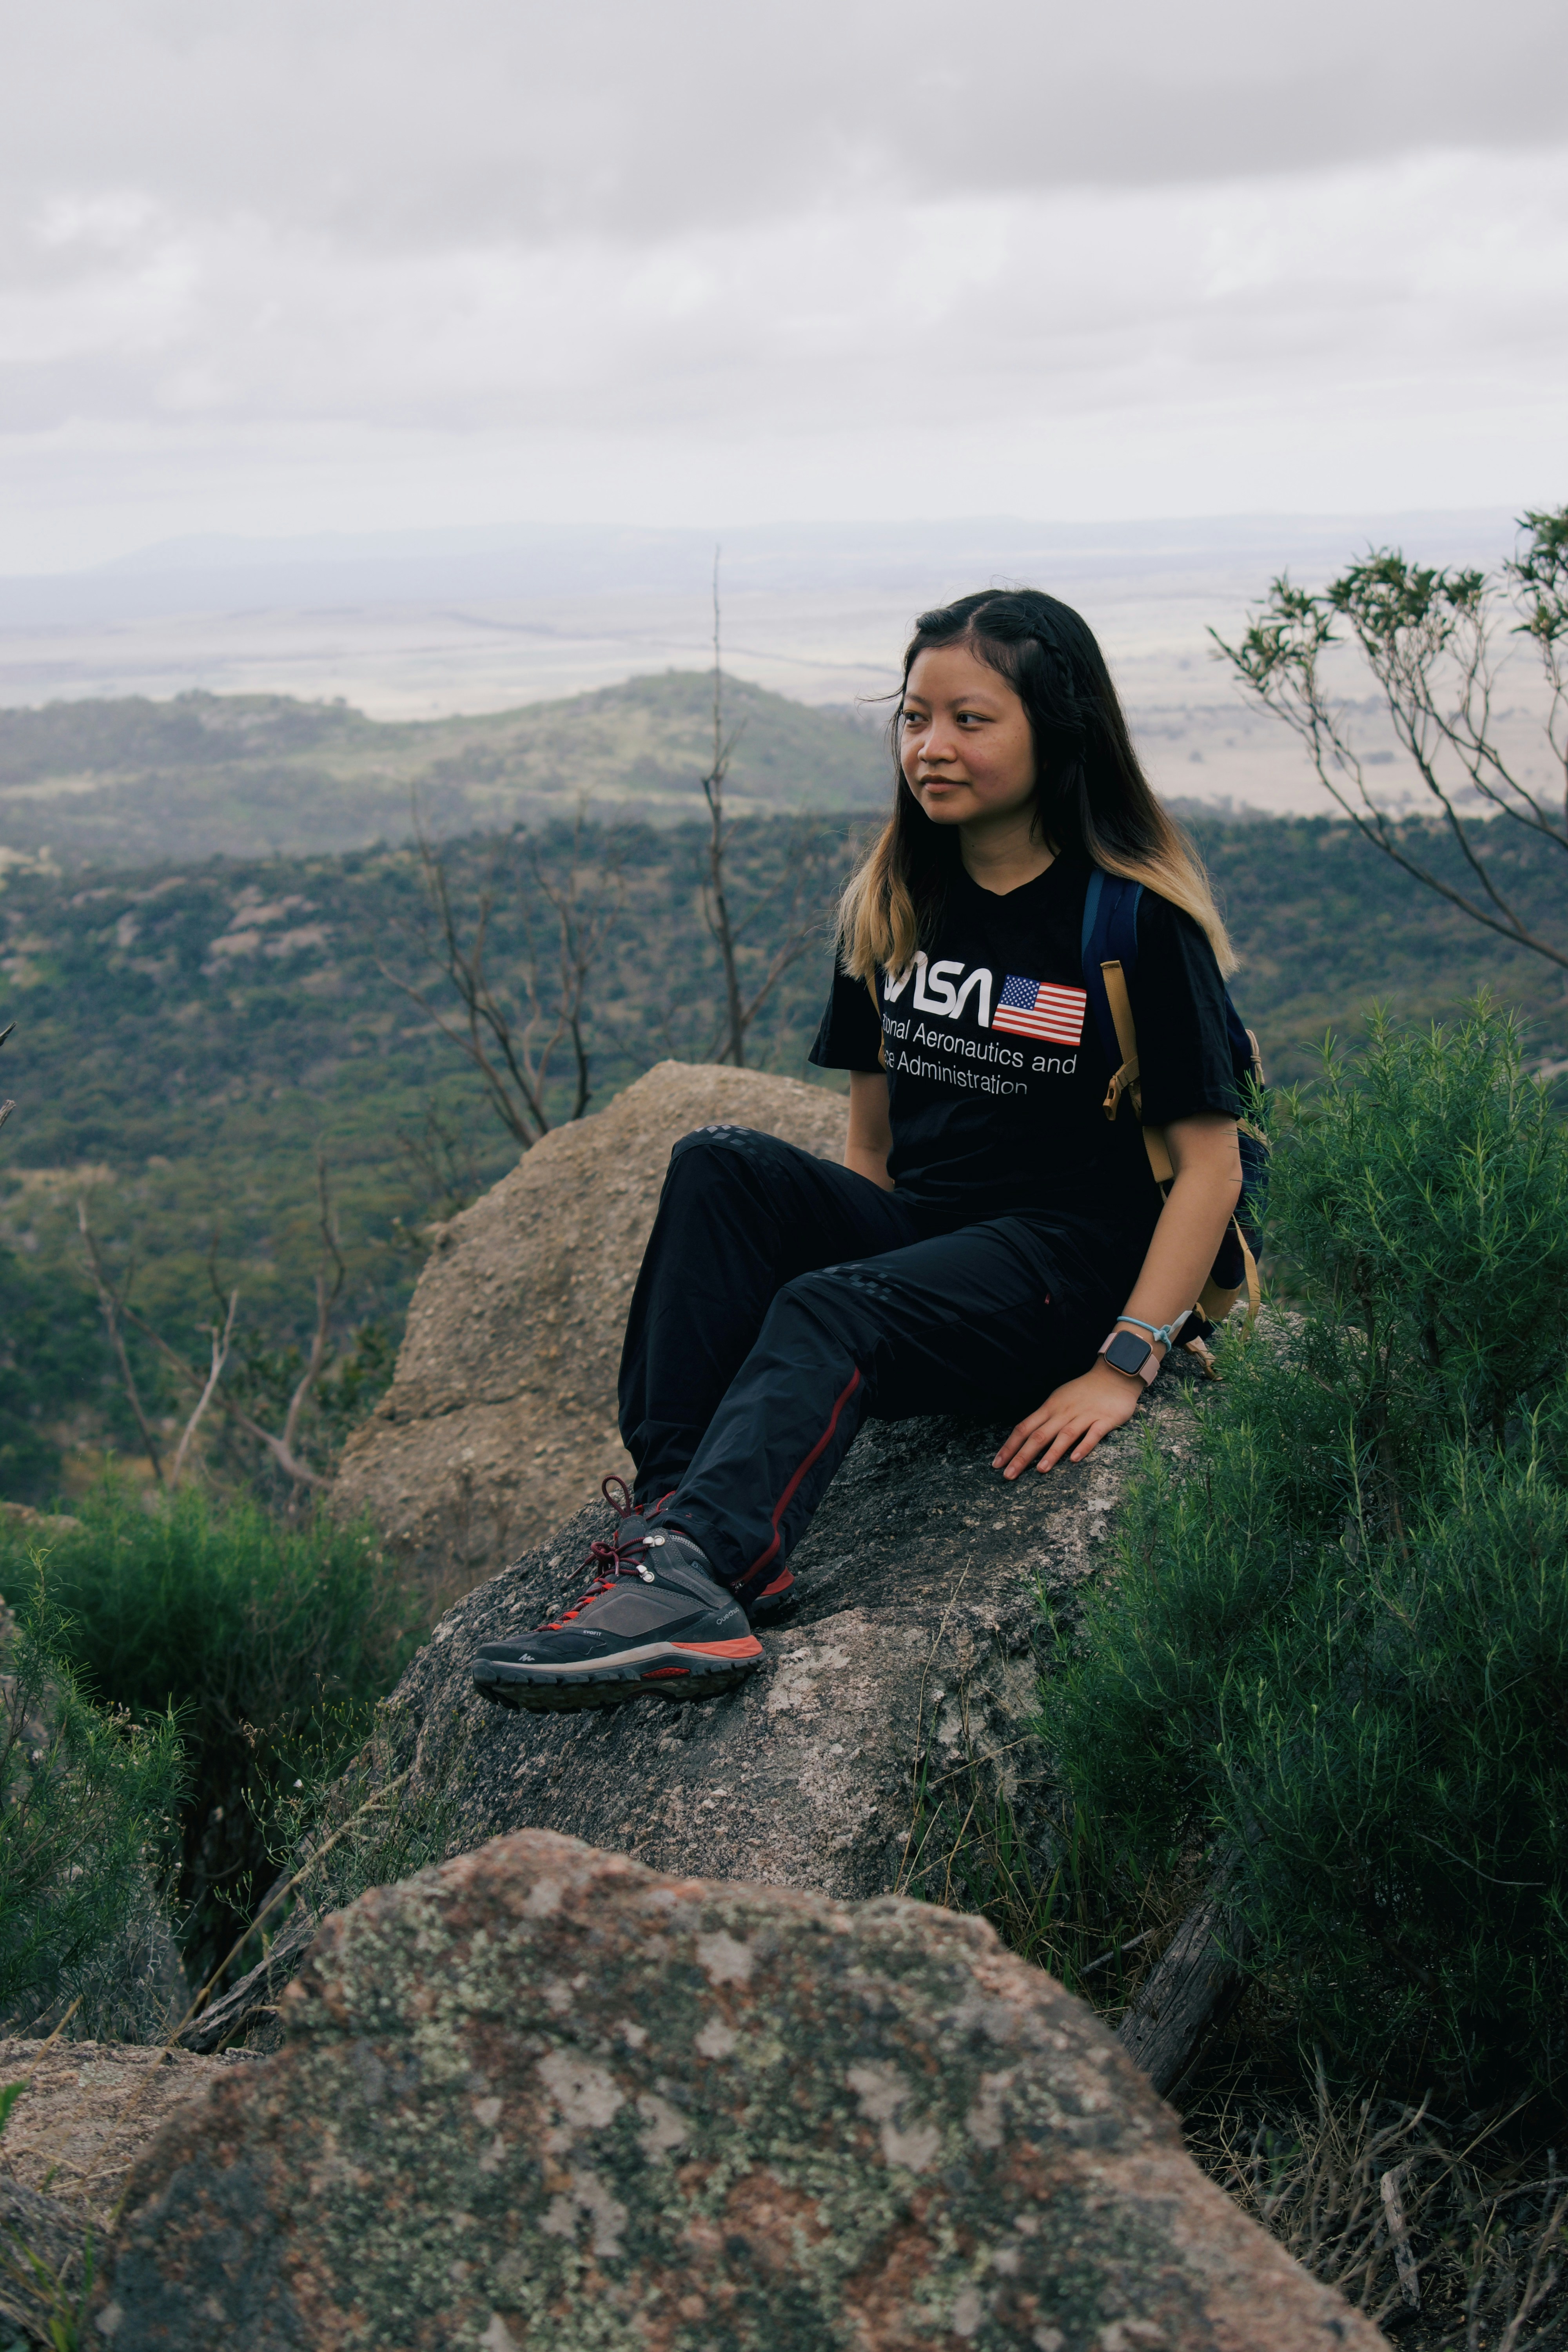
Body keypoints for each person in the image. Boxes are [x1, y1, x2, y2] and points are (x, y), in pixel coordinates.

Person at [472, 587, 1244, 1715]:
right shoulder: (892, 902)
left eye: (971, 720)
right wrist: (876, 1279)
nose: (932, 746)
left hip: (1069, 1268)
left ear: (1057, 729)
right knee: (719, 1165)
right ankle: (684, 1525)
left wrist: (1124, 1365)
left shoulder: (1129, 922)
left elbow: (1210, 1169)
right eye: (915, 717)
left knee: (832, 1307)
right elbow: (871, 1151)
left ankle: (699, 1573)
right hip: (941, 1241)